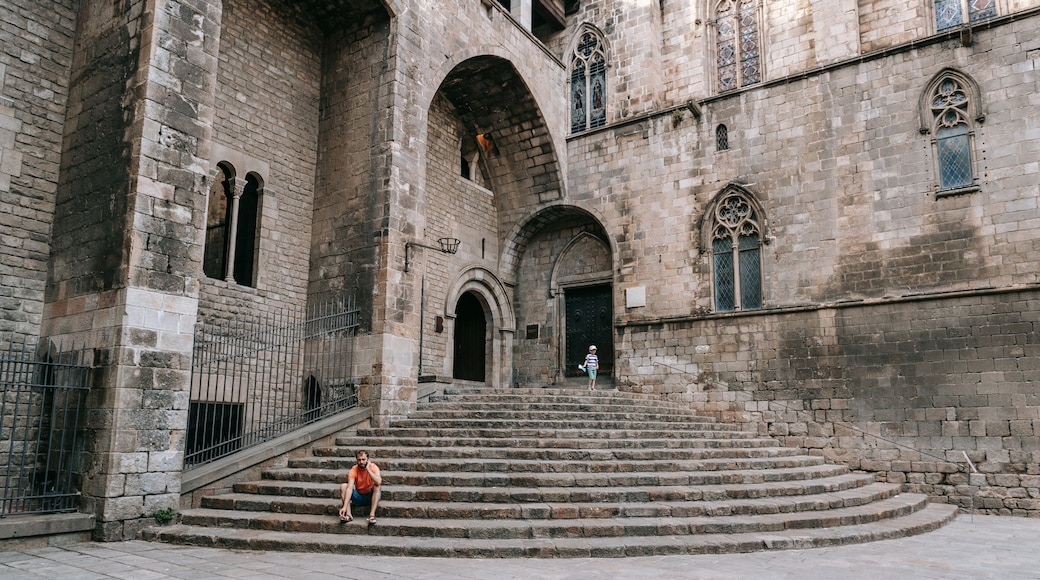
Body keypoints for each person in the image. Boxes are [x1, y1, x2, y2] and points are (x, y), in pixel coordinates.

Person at [338, 449, 382, 525]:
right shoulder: (354, 470)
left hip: (370, 497)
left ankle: (372, 516)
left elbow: (379, 481)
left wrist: (368, 469)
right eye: (359, 460)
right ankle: (348, 515)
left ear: (368, 459)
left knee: (377, 486)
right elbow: (349, 488)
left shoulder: (373, 467)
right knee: (343, 486)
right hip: (358, 496)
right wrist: (344, 506)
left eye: (363, 459)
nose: (361, 462)